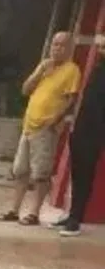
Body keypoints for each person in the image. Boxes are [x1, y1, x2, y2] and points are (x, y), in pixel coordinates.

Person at [0, 31, 81, 227]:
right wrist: (40, 72)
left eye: (61, 45)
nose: (56, 49)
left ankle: (34, 213)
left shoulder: (72, 70)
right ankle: (14, 209)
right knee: (20, 170)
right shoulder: (45, 66)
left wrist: (54, 120)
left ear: (70, 49)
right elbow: (25, 90)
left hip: (46, 128)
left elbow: (71, 99)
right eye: (54, 44)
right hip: (29, 125)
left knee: (40, 173)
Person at [53, 35, 105, 236]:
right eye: (99, 46)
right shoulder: (98, 68)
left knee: (86, 174)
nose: (100, 49)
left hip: (97, 130)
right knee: (79, 173)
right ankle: (73, 214)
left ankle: (76, 219)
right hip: (84, 127)